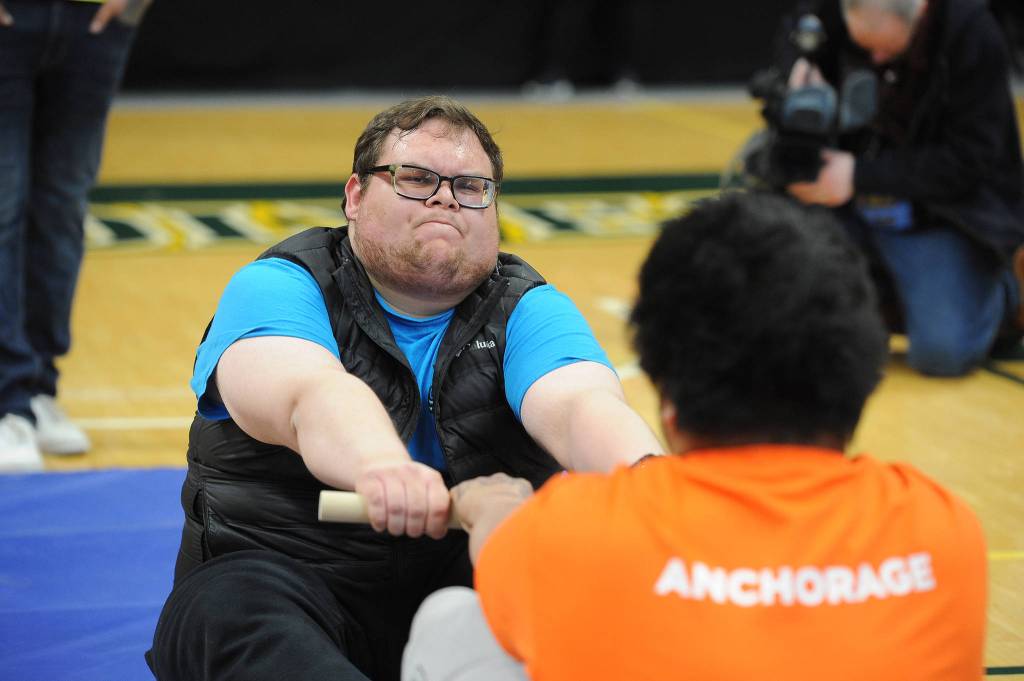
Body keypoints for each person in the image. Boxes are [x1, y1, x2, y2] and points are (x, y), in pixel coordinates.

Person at [145, 95, 664, 681]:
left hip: (464, 585)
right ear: (355, 197)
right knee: (228, 610)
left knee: (606, 597)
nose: (446, 196)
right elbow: (309, 395)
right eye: (416, 179)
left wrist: (654, 485)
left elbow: (580, 406)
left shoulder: (530, 309)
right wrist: (381, 469)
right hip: (291, 580)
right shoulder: (279, 286)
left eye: (471, 186)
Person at [403, 192, 988, 681]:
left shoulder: (576, 528)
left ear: (669, 399)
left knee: (450, 620)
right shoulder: (943, 529)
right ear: (860, 382)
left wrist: (491, 506)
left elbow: (505, 547)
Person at [777, 0, 1024, 376]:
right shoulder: (827, 15)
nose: (874, 60)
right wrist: (795, 71)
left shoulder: (971, 32)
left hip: (939, 212)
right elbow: (793, 34)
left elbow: (971, 160)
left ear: (920, 12)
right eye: (864, 48)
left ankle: (1003, 293)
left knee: (942, 354)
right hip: (845, 209)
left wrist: (858, 175)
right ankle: (893, 297)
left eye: (886, 50)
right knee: (780, 318)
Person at [0, 0, 150, 471]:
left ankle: (39, 386)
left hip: (97, 21)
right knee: (3, 204)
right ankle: (9, 400)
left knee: (63, 209)